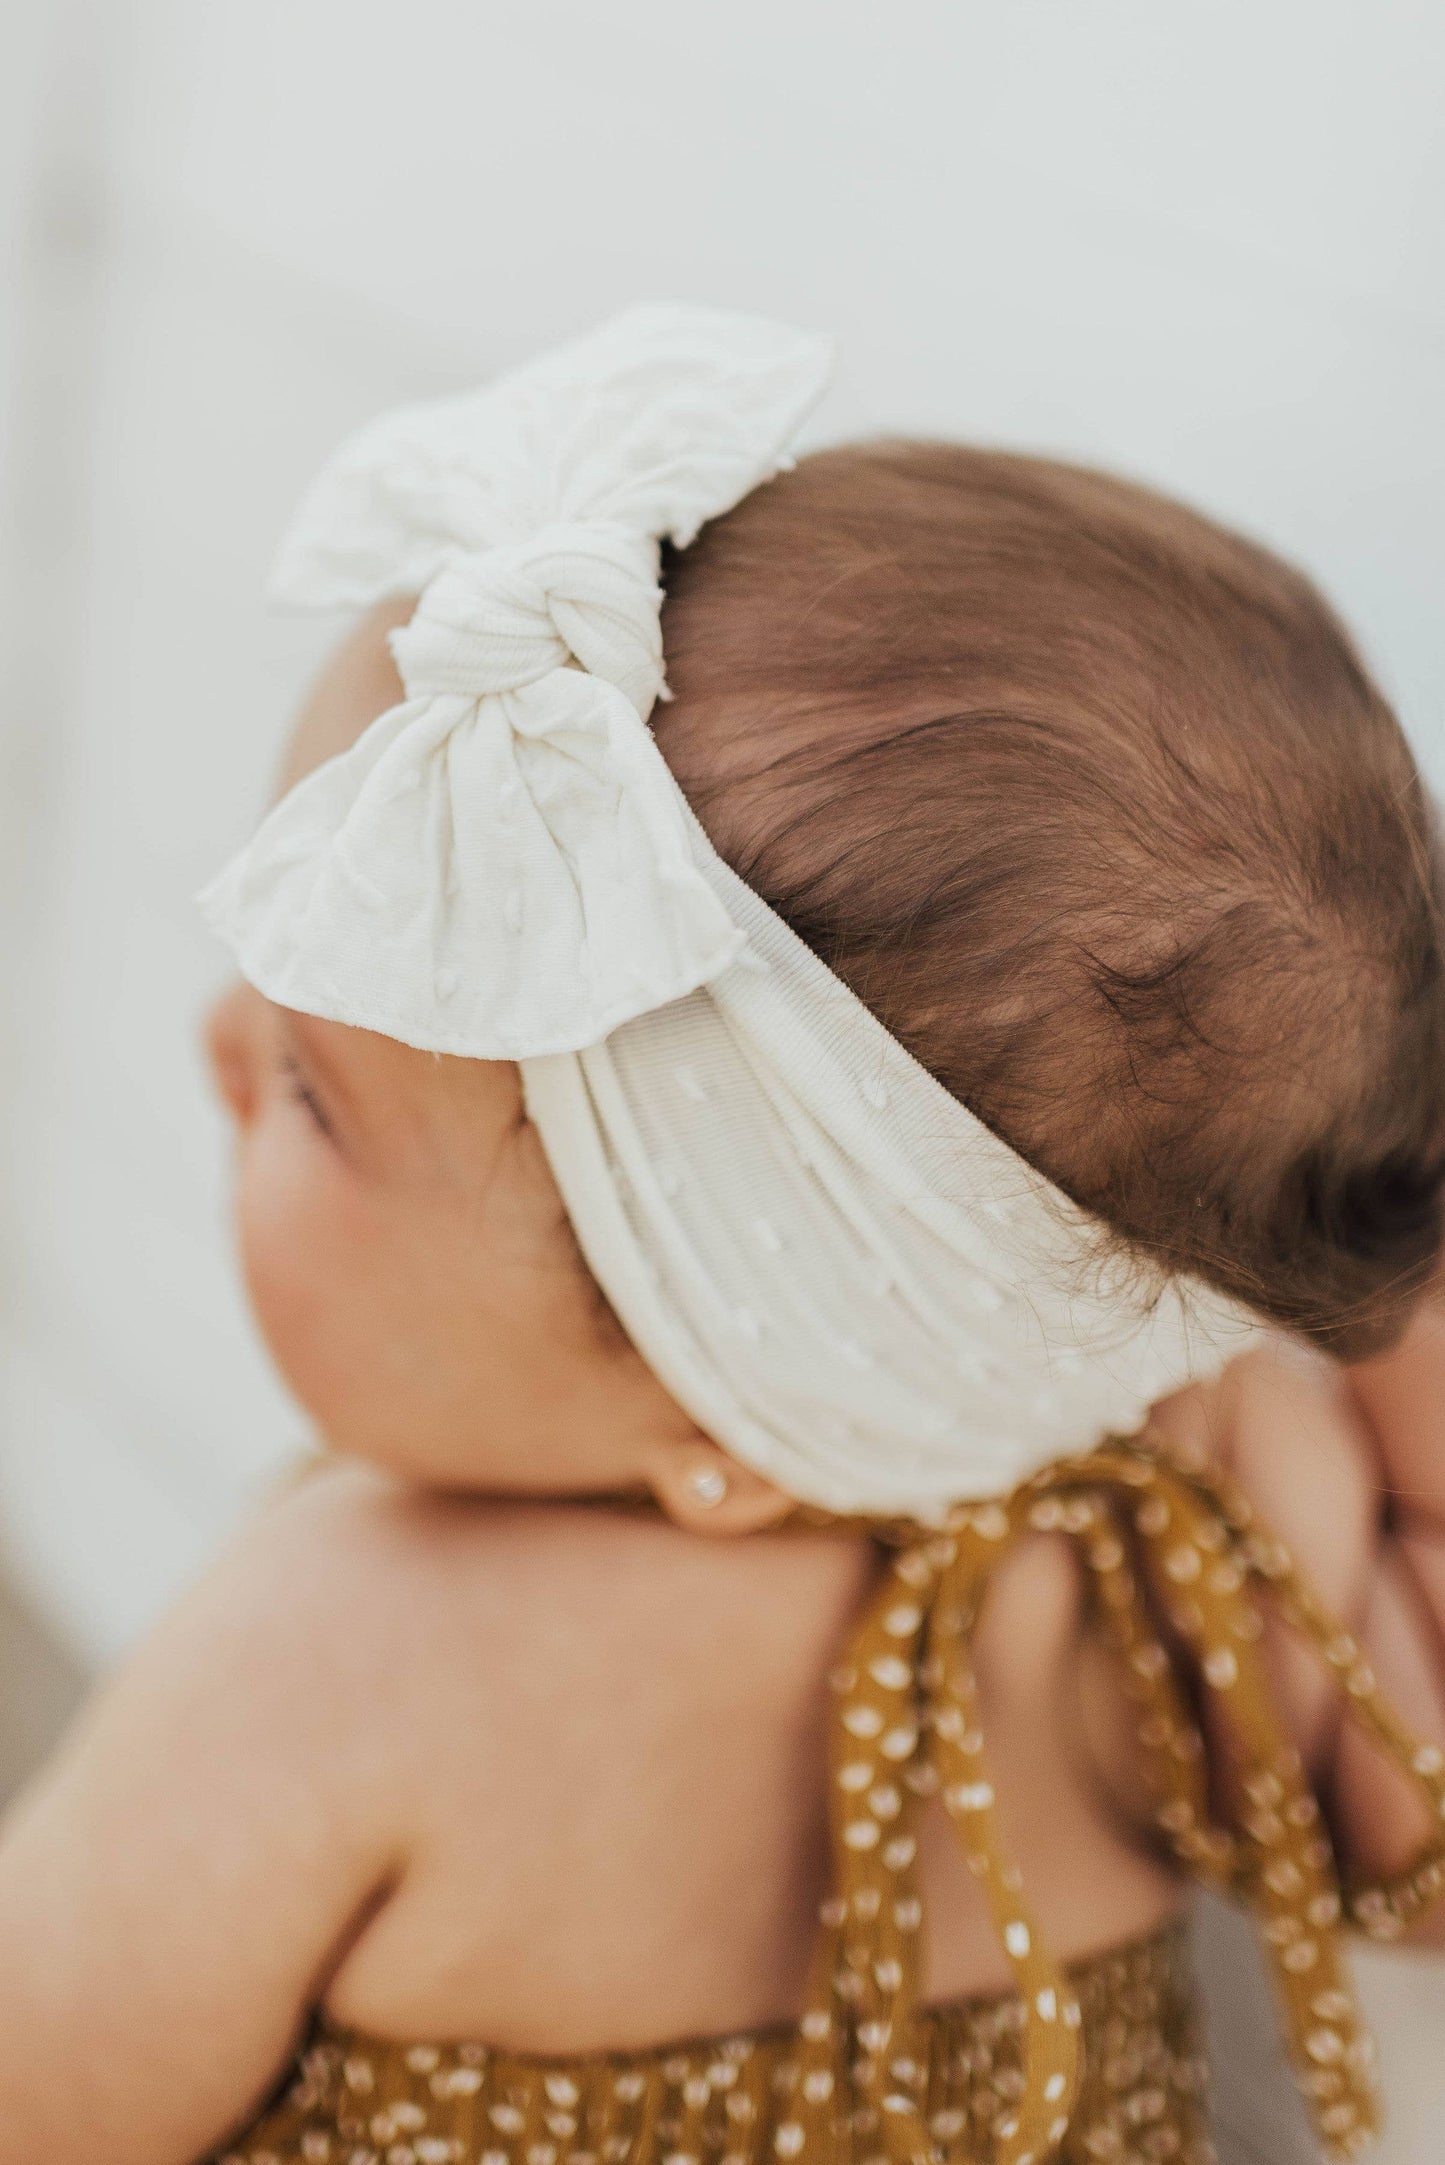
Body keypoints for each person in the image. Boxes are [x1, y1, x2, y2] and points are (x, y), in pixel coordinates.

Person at [1, 306, 1443, 2165]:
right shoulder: (1141, 1563)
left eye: (308, 1090)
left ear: (729, 1418)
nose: (211, 1042)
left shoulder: (341, 1651)